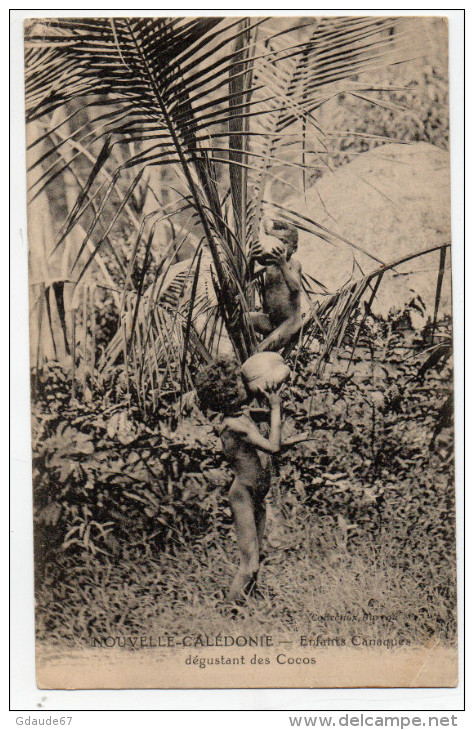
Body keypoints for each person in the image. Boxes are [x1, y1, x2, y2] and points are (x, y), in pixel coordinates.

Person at [195, 357, 282, 600]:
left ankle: (249, 602)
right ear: (232, 394)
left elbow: (262, 425)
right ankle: (229, 613)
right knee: (249, 565)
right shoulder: (233, 425)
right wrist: (275, 408)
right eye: (242, 384)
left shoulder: (241, 416)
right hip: (243, 495)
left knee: (258, 555)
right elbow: (273, 447)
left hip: (256, 495)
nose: (248, 384)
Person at [250, 219, 303, 352]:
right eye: (274, 241)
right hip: (270, 321)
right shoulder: (269, 265)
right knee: (240, 319)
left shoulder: (292, 264)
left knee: (259, 352)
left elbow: (295, 288)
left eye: (284, 242)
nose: (278, 246)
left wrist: (283, 264)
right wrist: (250, 259)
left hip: (289, 322)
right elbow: (246, 279)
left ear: (294, 247)